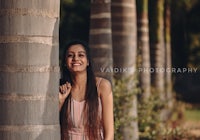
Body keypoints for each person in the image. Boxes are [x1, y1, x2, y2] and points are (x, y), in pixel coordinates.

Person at [59, 40, 114, 140]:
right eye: (70, 55)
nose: (75, 58)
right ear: (65, 63)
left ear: (88, 61)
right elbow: (48, 123)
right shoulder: (60, 88)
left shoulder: (102, 86)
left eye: (81, 55)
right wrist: (61, 100)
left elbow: (109, 131)